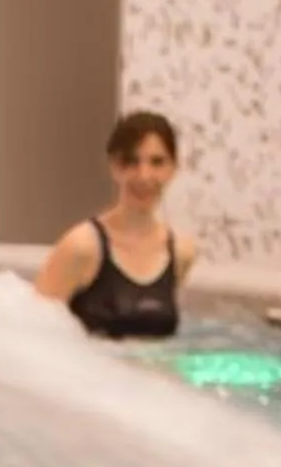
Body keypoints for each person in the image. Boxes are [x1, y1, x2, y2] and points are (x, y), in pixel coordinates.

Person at [33, 110, 196, 342]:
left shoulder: (181, 252)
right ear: (114, 167)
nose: (144, 176)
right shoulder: (82, 247)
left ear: (173, 169)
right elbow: (31, 334)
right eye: (131, 162)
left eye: (157, 162)